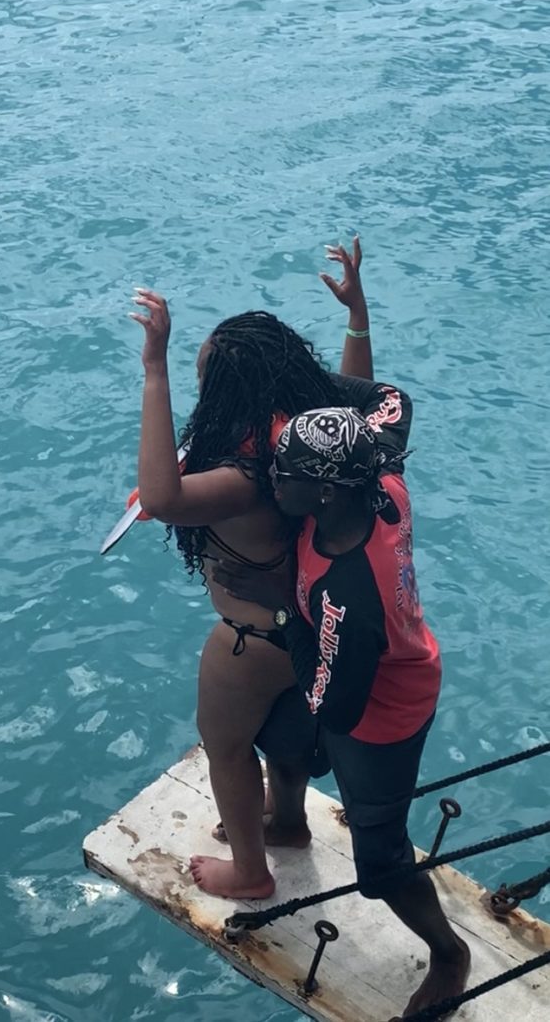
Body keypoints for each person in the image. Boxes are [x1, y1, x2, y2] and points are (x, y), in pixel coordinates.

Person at [129, 239, 394, 899]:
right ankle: (286, 821)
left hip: (251, 639)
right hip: (300, 623)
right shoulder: (305, 445)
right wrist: (357, 318)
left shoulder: (244, 477)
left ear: (226, 394)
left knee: (226, 746)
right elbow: (353, 414)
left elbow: (162, 499)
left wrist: (154, 369)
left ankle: (250, 872)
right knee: (284, 733)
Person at [211, 406, 471, 1017]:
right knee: (281, 731)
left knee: (380, 864)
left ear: (325, 492)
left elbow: (335, 709)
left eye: (284, 473)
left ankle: (449, 952)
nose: (272, 480)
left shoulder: (347, 595)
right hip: (368, 663)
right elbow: (392, 399)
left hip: (383, 716)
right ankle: (287, 823)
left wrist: (281, 607)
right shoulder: (381, 480)